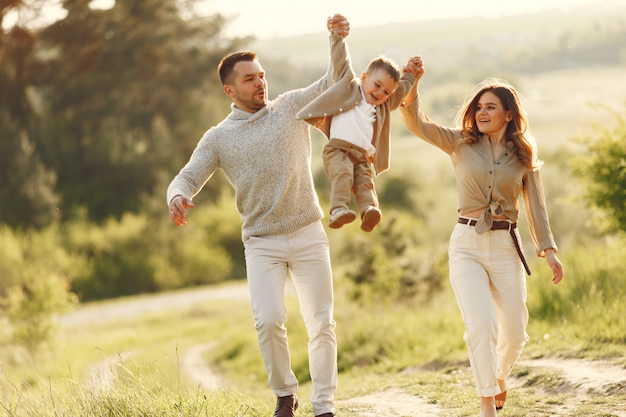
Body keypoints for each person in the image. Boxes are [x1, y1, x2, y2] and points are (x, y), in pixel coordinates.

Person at [166, 14, 352, 417]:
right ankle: (285, 394)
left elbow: (336, 81)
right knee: (268, 321)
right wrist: (176, 196)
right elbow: (187, 176)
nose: (260, 82)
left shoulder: (290, 107)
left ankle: (324, 406)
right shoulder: (219, 137)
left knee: (321, 322)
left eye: (262, 75)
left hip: (307, 232)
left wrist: (337, 39)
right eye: (250, 78)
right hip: (262, 242)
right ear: (230, 89)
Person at [399, 56, 564, 417]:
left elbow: (537, 206)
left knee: (516, 331)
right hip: (467, 245)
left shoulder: (524, 154)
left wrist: (548, 249)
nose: (482, 112)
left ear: (509, 114)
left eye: (491, 107)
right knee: (482, 325)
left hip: (507, 246)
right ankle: (487, 403)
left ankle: (497, 375)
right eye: (478, 107)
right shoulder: (459, 143)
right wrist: (412, 83)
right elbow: (417, 123)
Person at [296, 55, 416, 232]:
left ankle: (368, 211)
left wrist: (411, 74)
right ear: (365, 77)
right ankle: (338, 210)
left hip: (362, 156)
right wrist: (338, 36)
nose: (380, 93)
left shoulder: (382, 106)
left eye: (386, 92)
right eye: (377, 85)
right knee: (343, 174)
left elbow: (401, 91)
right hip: (338, 150)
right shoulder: (349, 89)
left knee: (365, 183)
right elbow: (340, 61)